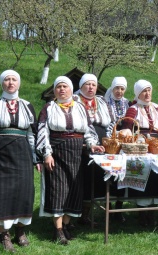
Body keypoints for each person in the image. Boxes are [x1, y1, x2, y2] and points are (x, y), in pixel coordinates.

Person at [0, 70, 41, 252]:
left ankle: (20, 231)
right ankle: (4, 235)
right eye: (7, 80)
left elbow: (32, 134)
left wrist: (37, 159)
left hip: (23, 155)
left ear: (19, 83)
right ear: (2, 83)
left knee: (23, 193)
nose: (11, 83)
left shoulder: (28, 106)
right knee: (0, 194)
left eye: (14, 79)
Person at [36, 76, 104, 245]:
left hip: (76, 154)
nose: (62, 90)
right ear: (54, 90)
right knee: (57, 191)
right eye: (58, 87)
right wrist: (46, 154)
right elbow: (42, 132)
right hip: (57, 154)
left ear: (71, 89)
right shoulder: (49, 108)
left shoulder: (80, 107)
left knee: (74, 191)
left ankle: (66, 226)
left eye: (65, 86)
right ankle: (57, 230)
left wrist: (92, 144)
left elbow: (88, 130)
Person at [121, 79, 158, 226]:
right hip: (140, 148)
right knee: (142, 177)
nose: (147, 94)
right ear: (137, 93)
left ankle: (152, 213)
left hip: (157, 148)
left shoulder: (157, 108)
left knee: (156, 178)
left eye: (149, 90)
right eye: (143, 91)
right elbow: (127, 130)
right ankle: (141, 213)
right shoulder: (133, 109)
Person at [74, 73, 114, 226]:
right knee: (82, 178)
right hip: (82, 143)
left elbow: (111, 121)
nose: (91, 87)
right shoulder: (75, 100)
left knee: (97, 178)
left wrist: (108, 139)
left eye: (93, 85)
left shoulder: (102, 101)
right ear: (81, 86)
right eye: (87, 84)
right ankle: (74, 215)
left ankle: (86, 215)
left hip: (103, 143)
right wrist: (89, 142)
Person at [104, 76, 130, 222]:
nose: (119, 91)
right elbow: (107, 123)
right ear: (112, 88)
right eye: (117, 88)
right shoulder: (106, 103)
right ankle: (110, 205)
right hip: (111, 143)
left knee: (123, 174)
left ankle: (119, 207)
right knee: (111, 173)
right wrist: (112, 138)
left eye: (122, 89)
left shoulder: (128, 103)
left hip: (124, 142)